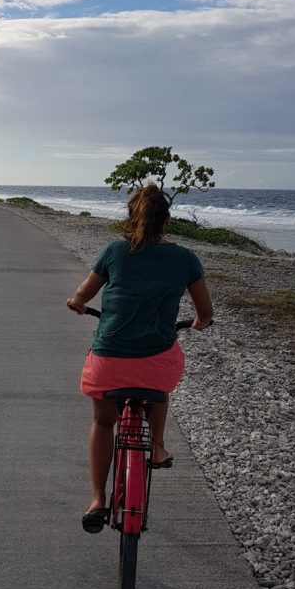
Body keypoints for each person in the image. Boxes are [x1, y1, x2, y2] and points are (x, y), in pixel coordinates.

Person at [67, 183, 213, 533]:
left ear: (131, 218)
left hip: (109, 362)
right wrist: (197, 323)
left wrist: (77, 304)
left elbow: (82, 295)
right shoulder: (185, 258)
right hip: (156, 362)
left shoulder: (114, 252)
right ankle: (158, 447)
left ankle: (97, 500)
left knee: (104, 422)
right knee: (160, 382)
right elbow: (205, 313)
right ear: (167, 220)